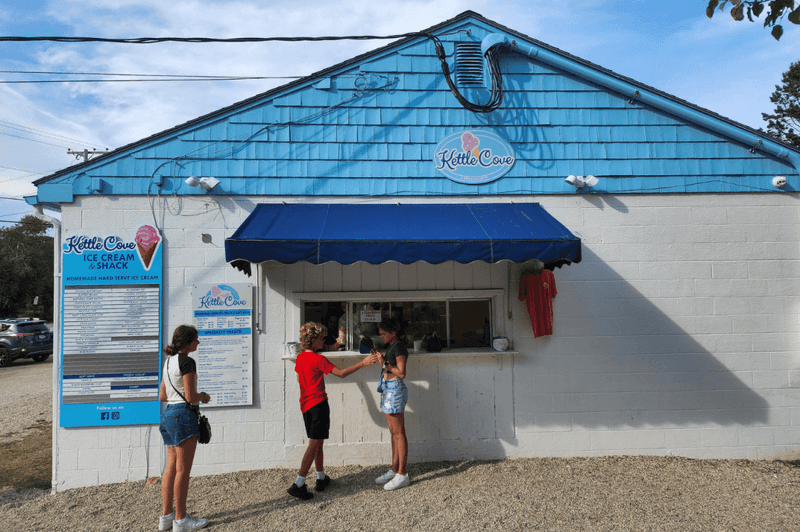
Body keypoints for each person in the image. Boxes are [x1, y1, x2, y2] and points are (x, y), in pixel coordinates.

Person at [289, 321, 378, 500]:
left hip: (306, 405)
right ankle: (298, 483)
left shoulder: (300, 358)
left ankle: (321, 477)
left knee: (318, 443)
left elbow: (301, 376)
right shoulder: (318, 359)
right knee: (314, 445)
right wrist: (363, 363)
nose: (323, 341)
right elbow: (342, 373)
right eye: (321, 338)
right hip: (318, 405)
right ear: (314, 341)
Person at [158, 325, 211, 532]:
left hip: (168, 414)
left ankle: (166, 517)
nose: (198, 342)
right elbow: (190, 396)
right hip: (183, 416)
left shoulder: (168, 361)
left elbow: (162, 395)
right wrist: (204, 396)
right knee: (183, 470)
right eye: (196, 339)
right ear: (188, 343)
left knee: (170, 468)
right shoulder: (188, 361)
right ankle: (181, 521)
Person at [373, 317, 411, 491]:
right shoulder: (392, 347)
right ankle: (395, 469)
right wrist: (383, 361)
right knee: (393, 432)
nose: (381, 337)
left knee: (398, 432)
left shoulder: (400, 347)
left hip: (395, 388)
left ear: (393, 333)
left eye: (383, 334)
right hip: (389, 388)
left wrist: (385, 363)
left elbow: (401, 373)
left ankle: (402, 474)